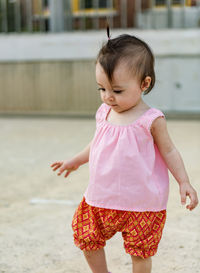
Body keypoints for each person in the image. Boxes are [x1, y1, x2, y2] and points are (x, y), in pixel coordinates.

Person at [50, 30, 198, 273]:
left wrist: (184, 181)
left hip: (141, 202)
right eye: (101, 89)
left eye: (117, 91)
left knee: (139, 253)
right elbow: (98, 143)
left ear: (144, 84)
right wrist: (75, 160)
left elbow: (169, 151)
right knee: (87, 238)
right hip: (101, 197)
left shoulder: (151, 119)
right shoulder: (103, 112)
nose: (108, 97)